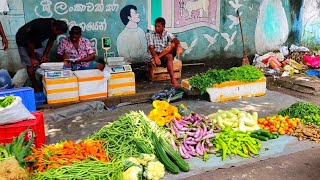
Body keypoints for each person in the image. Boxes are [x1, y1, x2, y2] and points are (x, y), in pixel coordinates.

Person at [16, 18, 68, 92]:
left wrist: (45, 55)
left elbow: (50, 42)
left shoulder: (54, 27)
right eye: (59, 33)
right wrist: (33, 58)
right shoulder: (40, 27)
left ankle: (44, 83)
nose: (58, 34)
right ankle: (35, 86)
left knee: (42, 61)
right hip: (23, 40)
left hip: (35, 41)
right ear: (54, 28)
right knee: (30, 64)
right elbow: (30, 44)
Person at [146, 17, 183, 87]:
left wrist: (179, 46)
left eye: (159, 26)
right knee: (170, 55)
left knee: (173, 44)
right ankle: (173, 80)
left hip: (163, 55)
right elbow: (151, 47)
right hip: (155, 54)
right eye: (155, 26)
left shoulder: (166, 33)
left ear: (163, 27)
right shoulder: (150, 34)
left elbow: (175, 40)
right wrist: (156, 57)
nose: (156, 28)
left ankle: (173, 80)